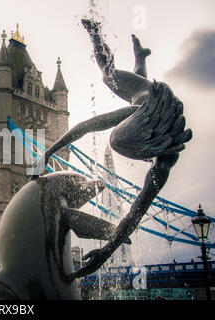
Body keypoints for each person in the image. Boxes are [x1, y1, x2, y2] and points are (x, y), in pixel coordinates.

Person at [33, 18, 192, 281]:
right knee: (109, 76)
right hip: (146, 94)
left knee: (122, 78)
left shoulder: (163, 161)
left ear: (145, 148)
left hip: (154, 102)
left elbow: (135, 211)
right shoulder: (139, 111)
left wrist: (107, 250)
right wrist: (49, 152)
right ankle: (97, 34)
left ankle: (139, 56)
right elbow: (88, 125)